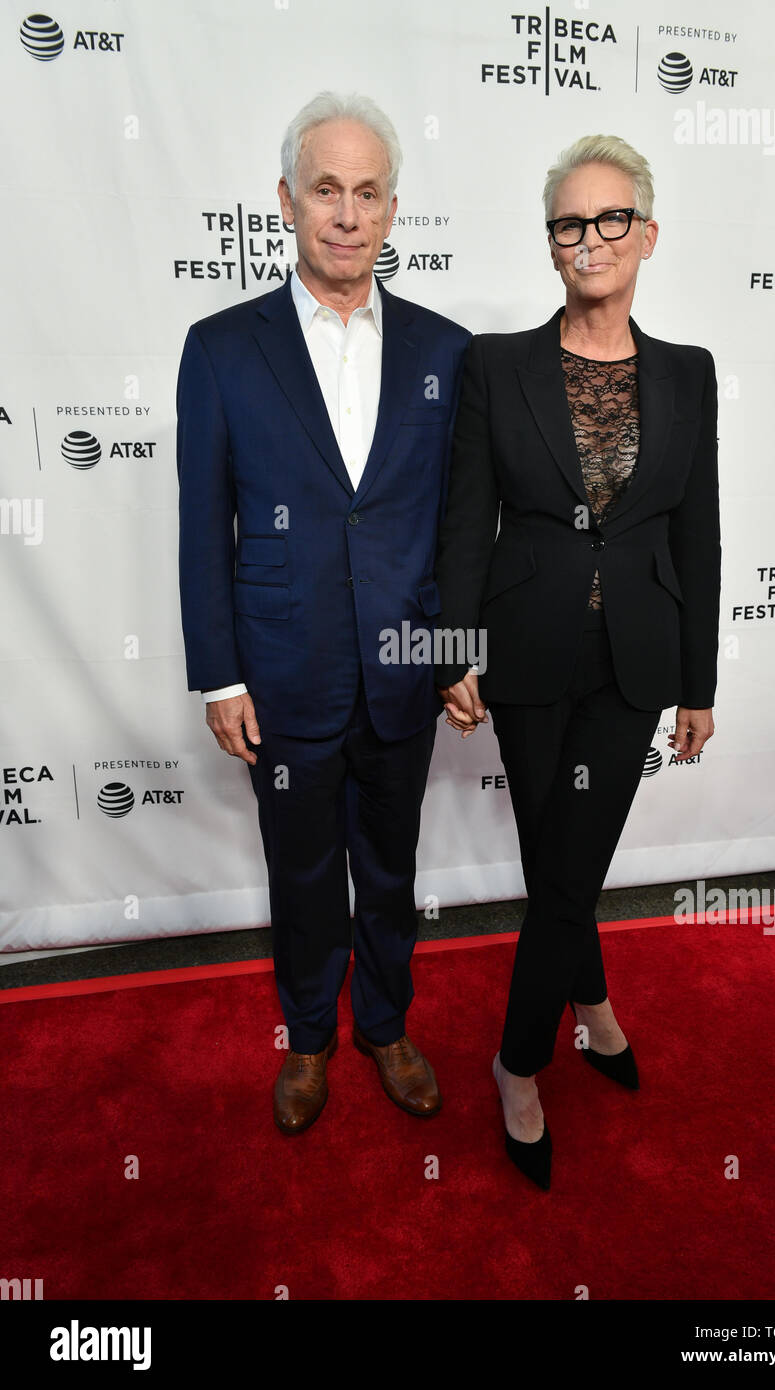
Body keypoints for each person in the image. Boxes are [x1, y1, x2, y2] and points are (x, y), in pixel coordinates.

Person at [176, 92, 470, 1136]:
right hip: (280, 670)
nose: (345, 214)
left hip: (402, 669)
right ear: (285, 204)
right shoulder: (220, 347)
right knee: (301, 874)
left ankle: (385, 1026)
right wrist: (218, 672)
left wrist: (451, 652)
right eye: (324, 191)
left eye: (367, 193)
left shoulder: (447, 350)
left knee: (390, 870)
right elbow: (202, 521)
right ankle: (308, 1041)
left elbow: (456, 526)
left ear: (393, 210)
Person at [434, 135, 721, 1189]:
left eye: (608, 220)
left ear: (644, 233)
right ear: (548, 241)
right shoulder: (496, 362)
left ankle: (517, 1059)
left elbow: (699, 531)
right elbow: (465, 518)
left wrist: (700, 680)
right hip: (523, 650)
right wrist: (453, 647)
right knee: (556, 862)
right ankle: (586, 1009)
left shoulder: (687, 374)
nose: (587, 239)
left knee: (567, 866)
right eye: (567, 222)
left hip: (635, 658)